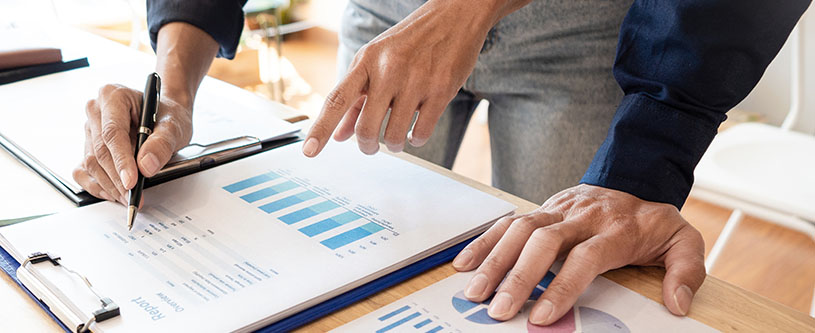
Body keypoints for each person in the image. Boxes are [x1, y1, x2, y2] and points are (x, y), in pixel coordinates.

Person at [73, 0, 810, 326]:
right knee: (351, 265)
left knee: (552, 284)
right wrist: (173, 84)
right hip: (386, 20)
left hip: (585, 28)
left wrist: (650, 150)